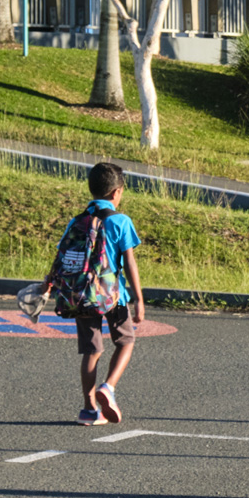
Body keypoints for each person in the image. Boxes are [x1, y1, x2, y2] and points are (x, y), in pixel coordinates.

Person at [67, 162, 145, 427]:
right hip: (114, 296)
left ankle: (88, 410)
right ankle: (108, 387)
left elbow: (65, 255)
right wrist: (139, 299)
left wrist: (48, 284)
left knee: (91, 350)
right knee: (125, 341)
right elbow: (130, 262)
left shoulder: (77, 221)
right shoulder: (121, 221)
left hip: (83, 295)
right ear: (116, 193)